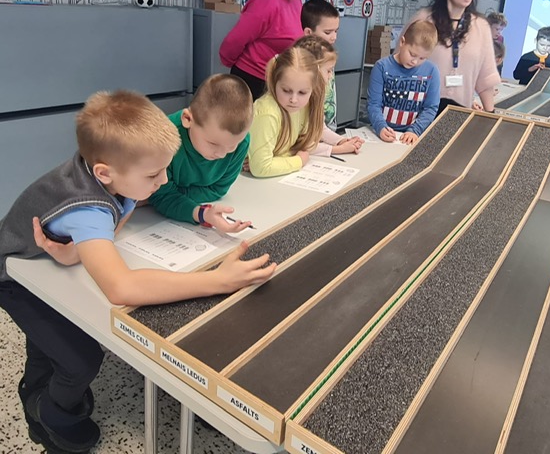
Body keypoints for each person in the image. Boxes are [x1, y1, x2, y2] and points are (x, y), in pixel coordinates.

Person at [0, 90, 276, 453]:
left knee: (50, 345)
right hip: (14, 277)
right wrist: (217, 281)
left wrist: (77, 251)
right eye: (153, 174)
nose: (163, 181)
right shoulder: (87, 210)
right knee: (80, 360)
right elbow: (122, 288)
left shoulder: (114, 175)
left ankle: (36, 386)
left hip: (45, 263)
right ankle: (52, 415)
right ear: (104, 173)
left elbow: (120, 213)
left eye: (165, 169)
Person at [149, 74, 254, 232]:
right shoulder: (163, 139)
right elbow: (160, 195)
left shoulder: (242, 142)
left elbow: (218, 189)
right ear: (187, 119)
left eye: (232, 145)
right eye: (213, 143)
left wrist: (174, 193)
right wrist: (198, 211)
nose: (222, 154)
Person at [219, 0, 314, 100]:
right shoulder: (266, 2)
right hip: (252, 80)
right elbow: (234, 41)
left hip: (277, 78)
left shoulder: (296, 0)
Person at [407, 0, 499, 114]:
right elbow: (400, 65)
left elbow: (486, 78)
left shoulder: (481, 26)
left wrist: (490, 114)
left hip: (458, 113)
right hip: (418, 112)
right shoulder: (423, 20)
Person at [248, 46, 325, 177]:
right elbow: (260, 167)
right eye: (286, 90)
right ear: (274, 82)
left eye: (302, 92)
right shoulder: (268, 113)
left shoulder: (306, 106)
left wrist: (281, 157)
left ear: (312, 89)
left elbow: (304, 146)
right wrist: (299, 160)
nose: (294, 100)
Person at [367, 19, 440, 144]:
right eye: (412, 54)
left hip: (412, 136)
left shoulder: (432, 71)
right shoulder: (381, 67)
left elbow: (430, 107)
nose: (415, 61)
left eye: (422, 58)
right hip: (382, 131)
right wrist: (380, 127)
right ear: (402, 42)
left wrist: (415, 130)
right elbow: (374, 104)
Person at [293, 35, 364, 156]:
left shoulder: (316, 95)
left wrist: (341, 141)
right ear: (313, 70)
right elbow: (297, 144)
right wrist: (339, 149)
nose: (331, 76)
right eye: (329, 70)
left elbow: (320, 128)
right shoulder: (294, 101)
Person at [301, 0, 340, 129]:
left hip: (328, 128)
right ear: (308, 32)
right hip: (310, 130)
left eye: (336, 31)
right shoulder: (302, 63)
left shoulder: (328, 57)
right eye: (328, 32)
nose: (334, 37)